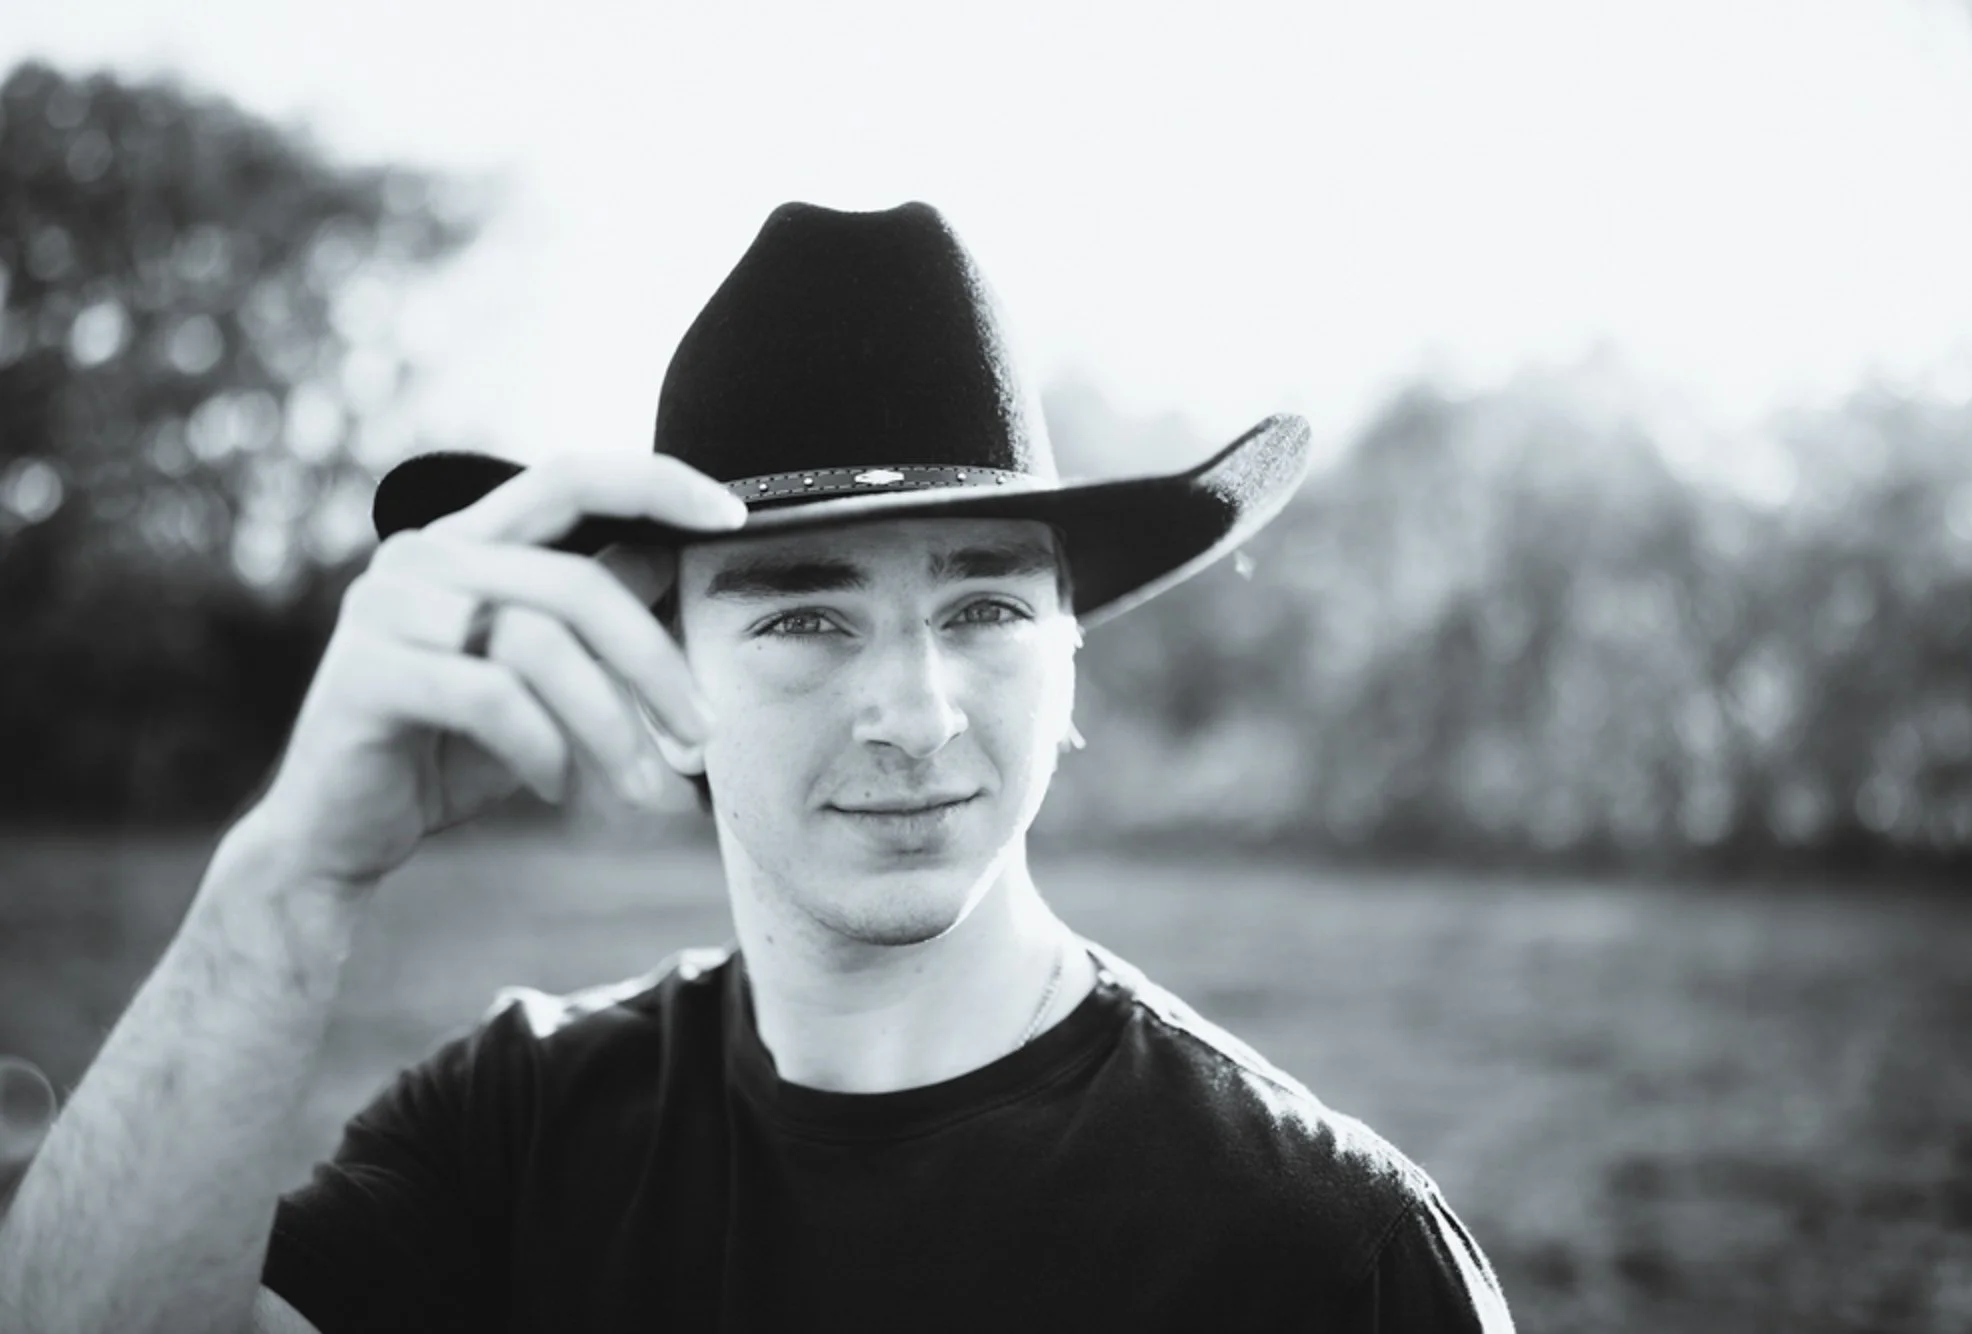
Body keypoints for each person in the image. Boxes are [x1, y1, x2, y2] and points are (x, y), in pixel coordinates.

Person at [0, 202, 1513, 1332]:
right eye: (803, 612)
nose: (914, 712)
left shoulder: (1327, 1251)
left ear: (1070, 658)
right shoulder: (514, 1134)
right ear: (659, 665)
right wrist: (292, 879)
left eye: (984, 605)